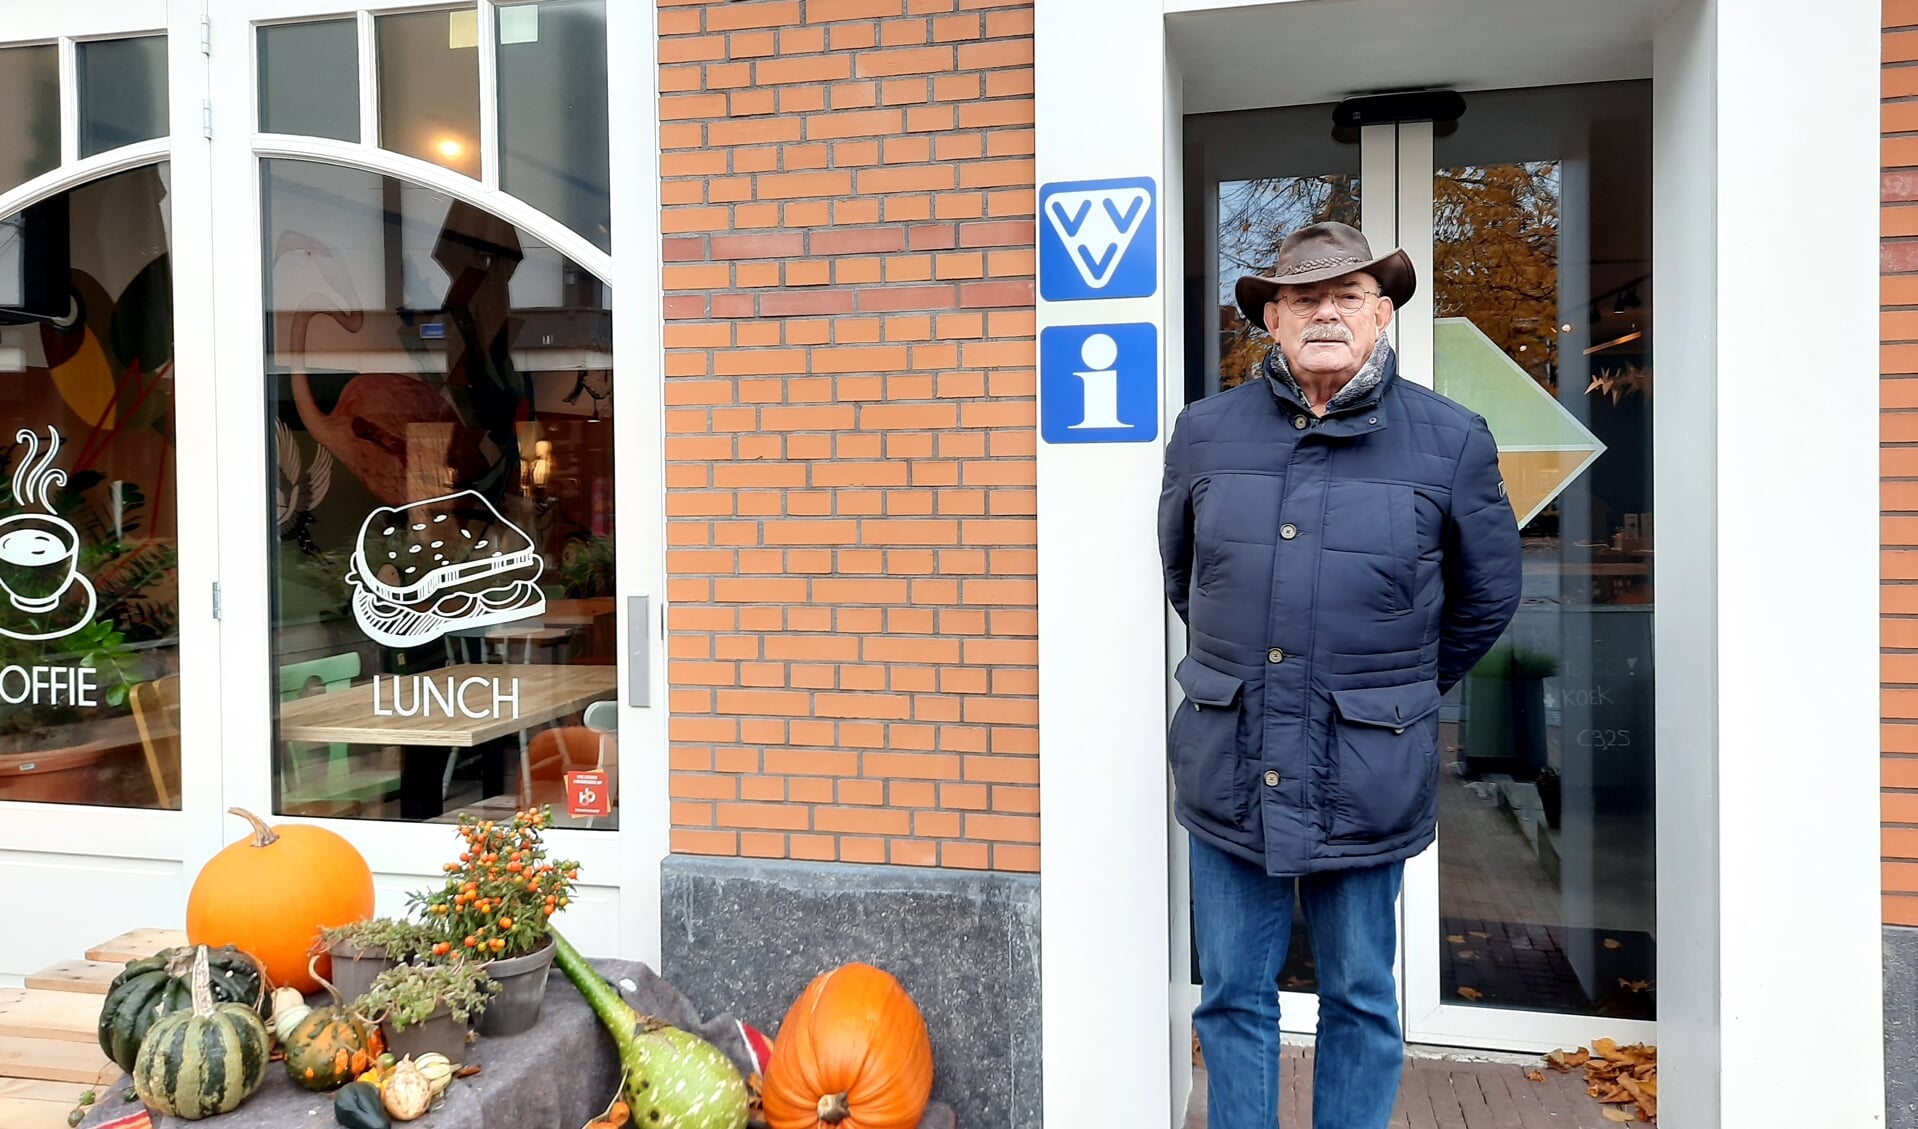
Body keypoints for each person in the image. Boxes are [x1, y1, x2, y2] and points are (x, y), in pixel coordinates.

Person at [1158, 221, 1523, 1128]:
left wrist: (1390, 692)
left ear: (1384, 314)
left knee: (1360, 994)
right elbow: (1185, 577)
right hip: (1231, 759)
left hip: (1366, 770)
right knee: (1233, 994)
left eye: (1350, 295)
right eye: (1303, 297)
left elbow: (1488, 597)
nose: (1326, 310)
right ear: (1271, 322)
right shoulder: (1205, 433)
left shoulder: (1451, 440)